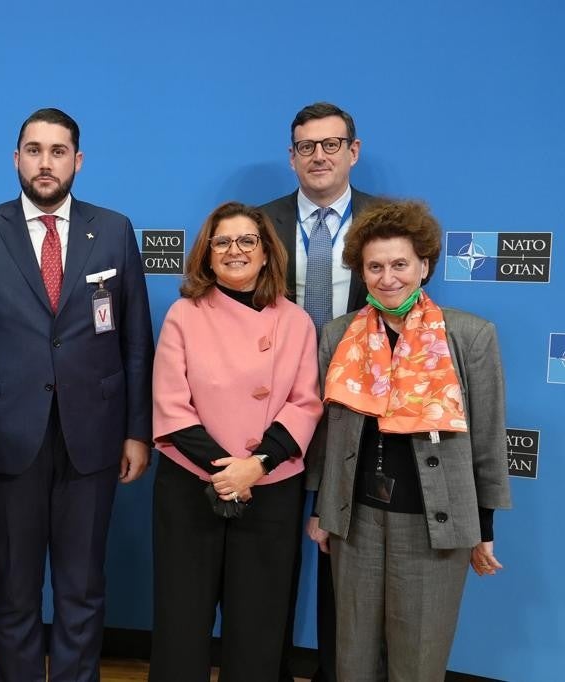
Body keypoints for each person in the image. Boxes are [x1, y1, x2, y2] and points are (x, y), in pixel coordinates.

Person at [0, 107, 153, 681]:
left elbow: (136, 341)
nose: (45, 162)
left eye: (58, 151)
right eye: (33, 150)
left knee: (82, 589)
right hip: (4, 439)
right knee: (13, 590)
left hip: (95, 439)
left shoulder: (113, 229)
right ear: (15, 159)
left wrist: (138, 430)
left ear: (77, 161)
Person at [313, 200, 510, 681]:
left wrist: (482, 529)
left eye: (400, 264)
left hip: (434, 527)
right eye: (375, 266)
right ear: (361, 271)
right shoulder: (338, 335)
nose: (388, 278)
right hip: (354, 521)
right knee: (353, 657)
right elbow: (325, 437)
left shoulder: (469, 335)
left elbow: (487, 441)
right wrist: (321, 510)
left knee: (417, 662)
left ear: (424, 265)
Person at [151, 201, 323, 681]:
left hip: (270, 489)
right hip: (191, 487)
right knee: (181, 620)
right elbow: (170, 406)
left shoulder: (296, 322)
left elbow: (305, 404)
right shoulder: (183, 315)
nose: (235, 250)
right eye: (222, 242)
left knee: (259, 624)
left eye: (248, 240)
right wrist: (228, 470)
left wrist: (256, 465)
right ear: (207, 255)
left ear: (267, 252)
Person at [260, 102, 377, 682]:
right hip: (273, 414)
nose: (319, 156)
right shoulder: (257, 226)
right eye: (307, 147)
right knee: (272, 565)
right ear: (292, 157)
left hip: (363, 417)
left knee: (347, 571)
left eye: (331, 144)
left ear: (353, 151)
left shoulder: (387, 222)